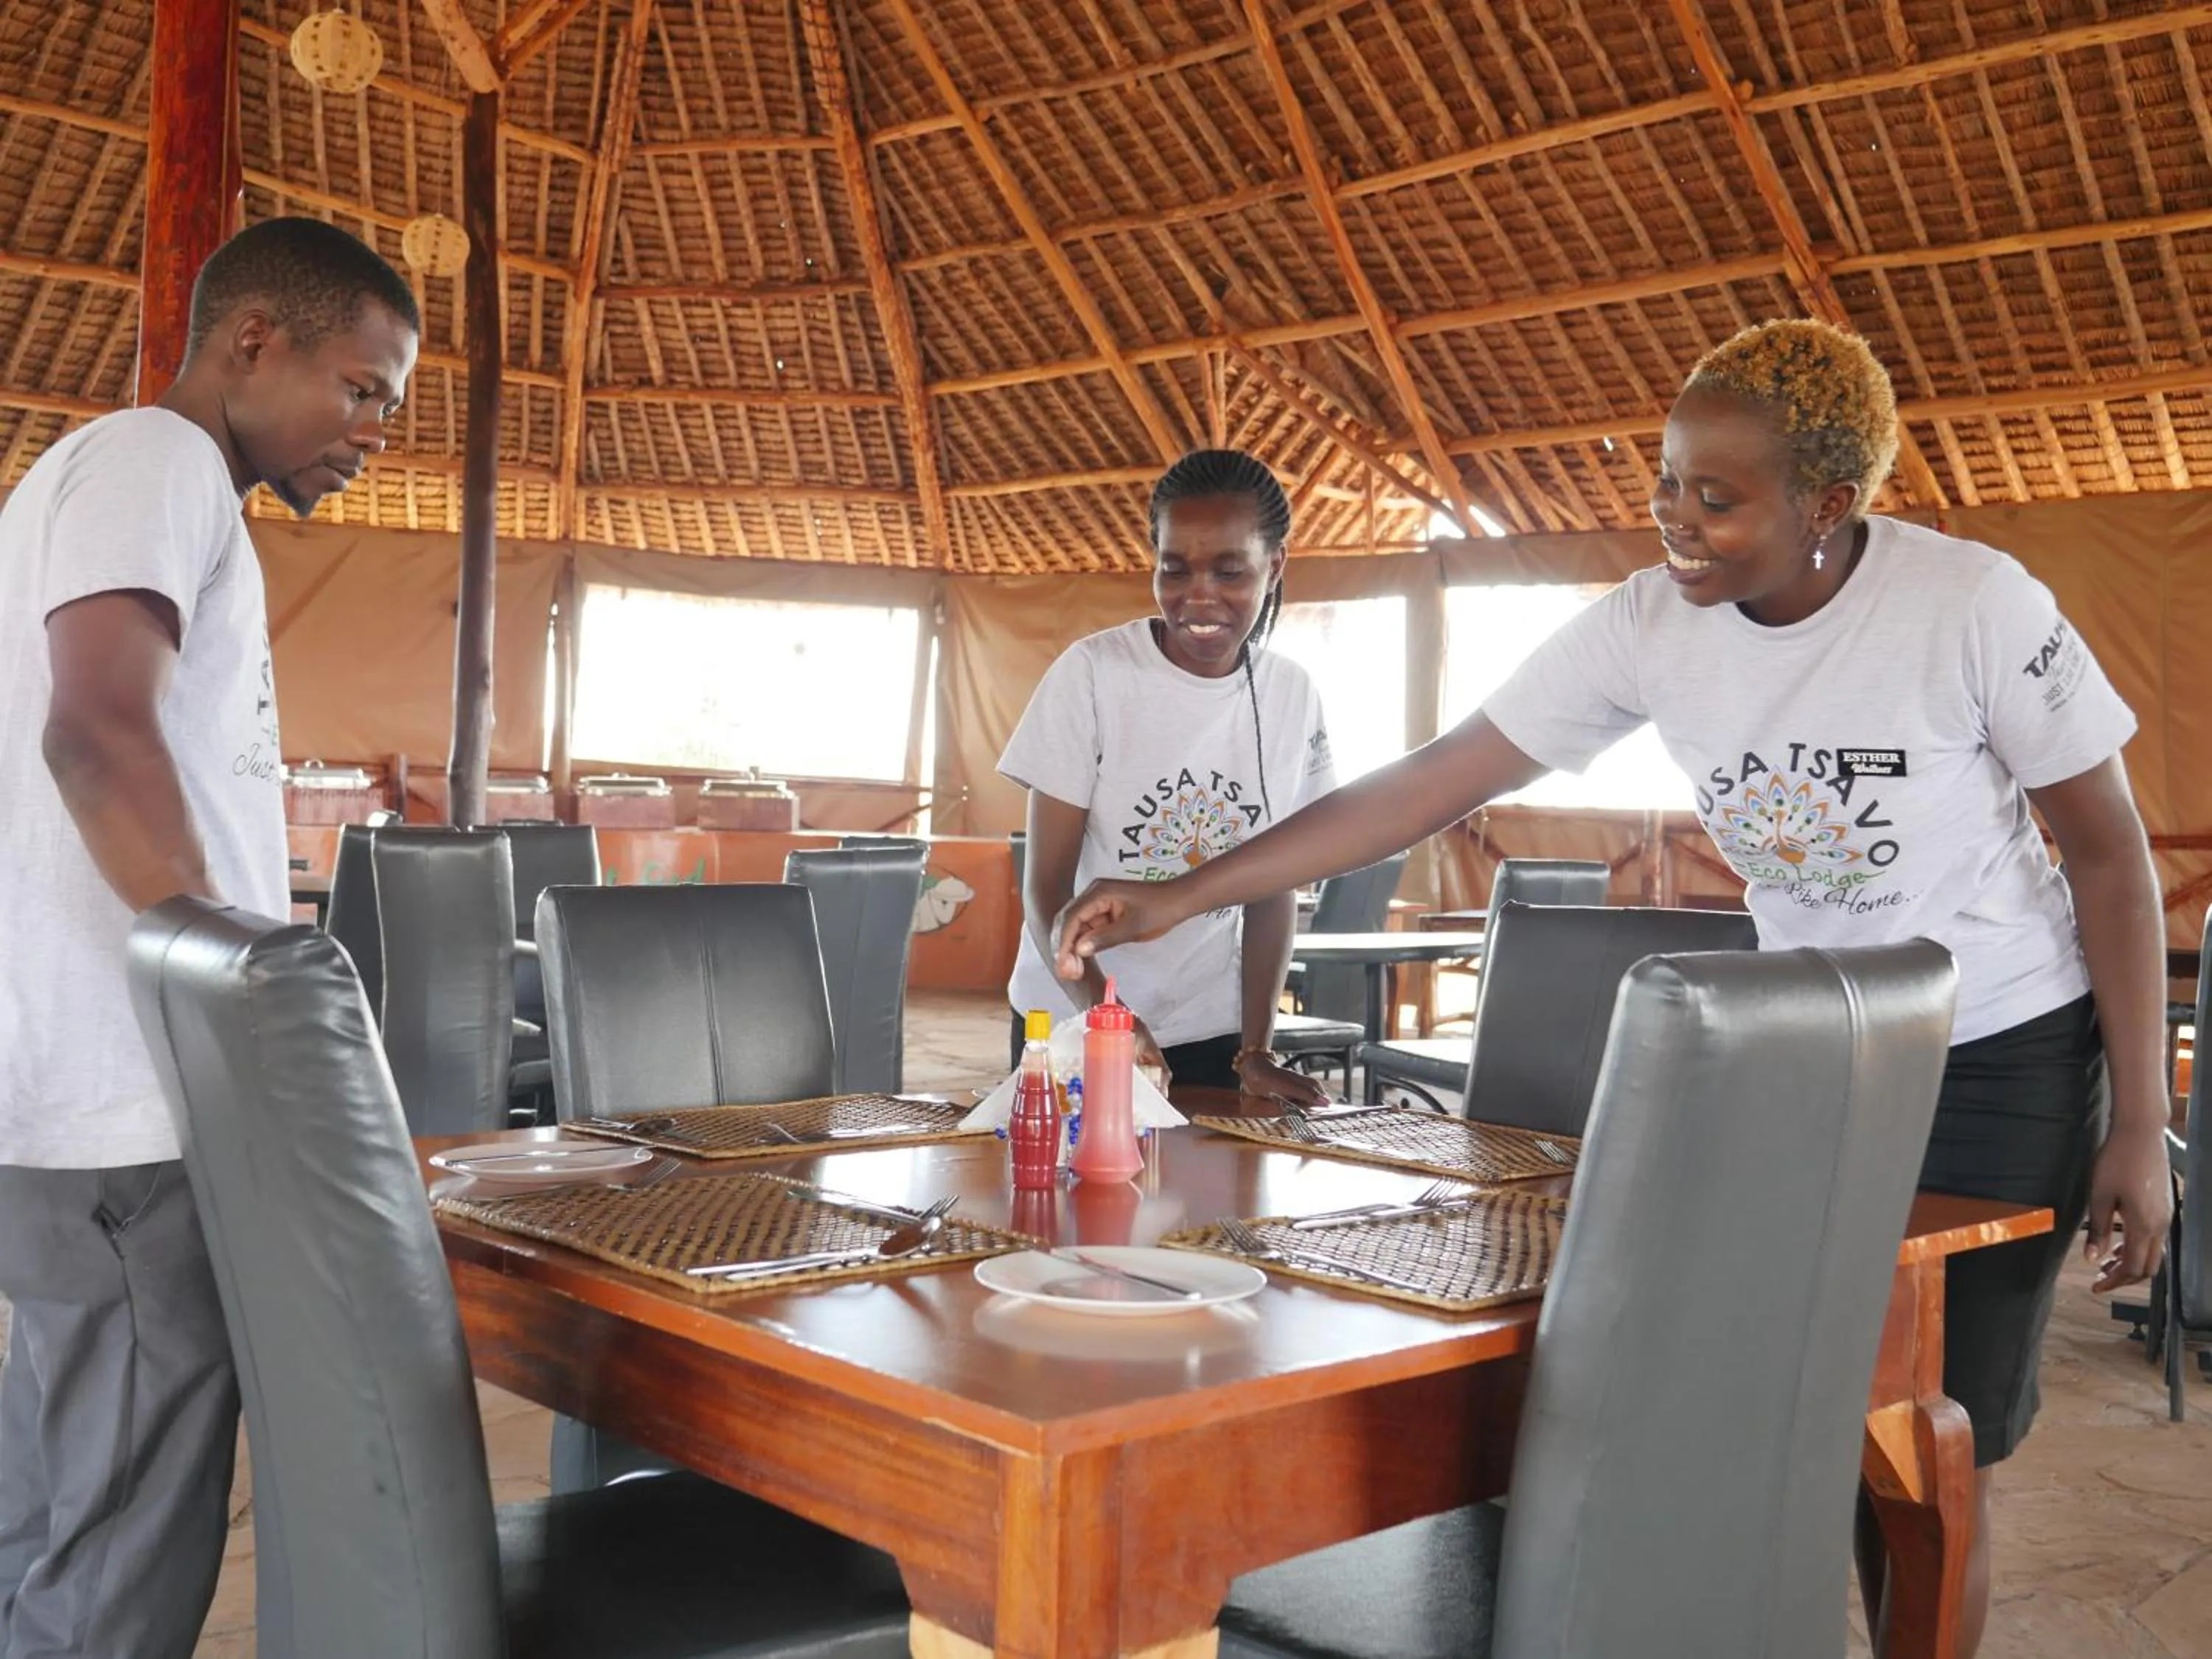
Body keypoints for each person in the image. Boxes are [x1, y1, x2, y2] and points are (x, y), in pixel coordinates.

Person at [1056, 321, 2171, 1657]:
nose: (1676, 520)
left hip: (2001, 1052)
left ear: (1828, 505)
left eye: (1718, 497)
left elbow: (2108, 856)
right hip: (1813, 1059)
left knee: (1935, 1444)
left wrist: (2137, 1122)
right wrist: (1185, 893)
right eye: (1667, 481)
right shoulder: (1649, 625)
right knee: (1778, 1408)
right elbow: (1431, 780)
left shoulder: (1971, 605)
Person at [0, 217, 417, 1659]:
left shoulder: (121, 483)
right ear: (253, 340)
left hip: (84, 1096)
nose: (375, 432)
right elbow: (97, 736)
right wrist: (256, 1000)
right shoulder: (155, 461)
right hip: (130, 1101)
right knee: (122, 1542)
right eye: (361, 389)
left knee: (60, 1492)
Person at [1002, 448, 1338, 1107]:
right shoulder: (1092, 675)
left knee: (1210, 1178)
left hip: (1213, 1027)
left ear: (1275, 565)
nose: (1199, 596)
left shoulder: (1292, 695)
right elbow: (1045, 891)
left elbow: (1274, 887)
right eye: (1175, 568)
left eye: (1230, 571)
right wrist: (1106, 1018)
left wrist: (1255, 1050)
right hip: (1073, 1017)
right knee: (1078, 1173)